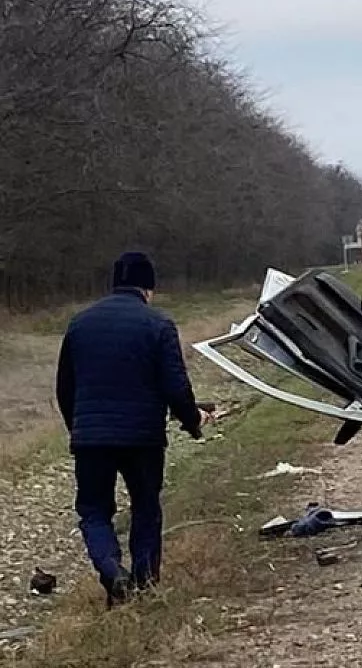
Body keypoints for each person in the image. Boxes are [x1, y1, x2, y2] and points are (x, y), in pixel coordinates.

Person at [55, 251, 206, 607]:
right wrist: (192, 420)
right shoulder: (158, 324)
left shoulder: (79, 323)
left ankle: (111, 572)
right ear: (148, 288)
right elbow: (175, 386)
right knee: (146, 507)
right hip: (142, 439)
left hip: (91, 439)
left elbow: (65, 388)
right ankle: (144, 584)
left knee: (94, 511)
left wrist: (77, 428)